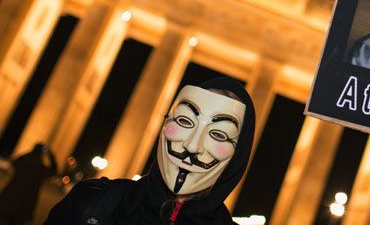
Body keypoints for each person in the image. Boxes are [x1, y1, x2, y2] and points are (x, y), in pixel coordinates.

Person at [44, 77, 255, 224]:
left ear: (239, 154)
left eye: (218, 134)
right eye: (184, 120)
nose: (192, 146)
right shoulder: (90, 202)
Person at [0, 143, 56, 225]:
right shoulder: (41, 169)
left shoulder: (22, 162)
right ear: (42, 153)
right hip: (24, 206)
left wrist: (30, 153)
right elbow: (54, 170)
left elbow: (15, 160)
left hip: (8, 201)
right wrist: (50, 154)